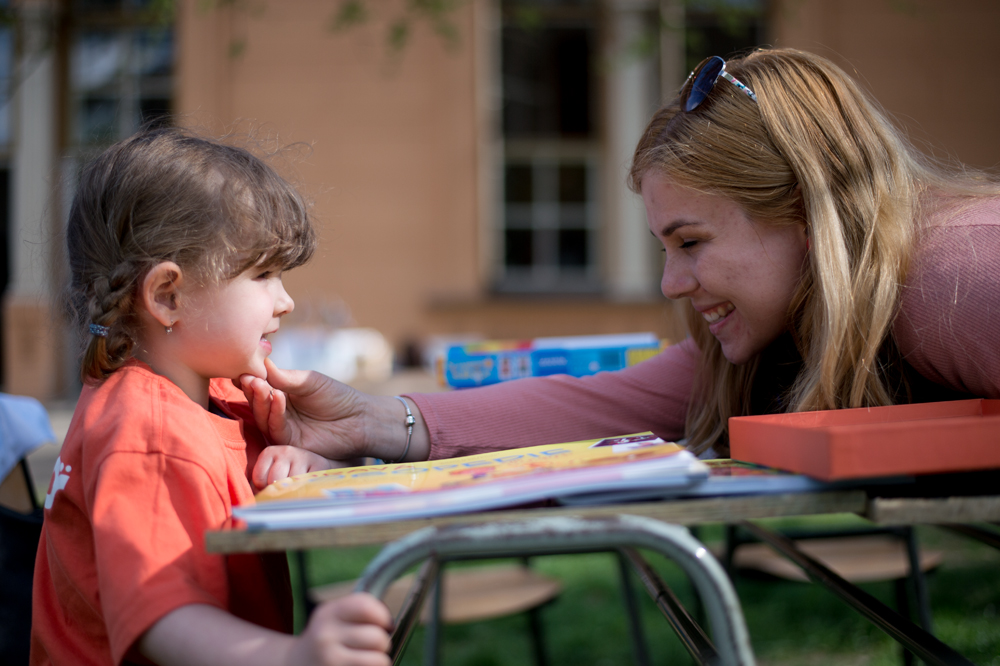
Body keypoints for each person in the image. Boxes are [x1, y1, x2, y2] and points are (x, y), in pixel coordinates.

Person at [242, 47, 1000, 472]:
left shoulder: (952, 281)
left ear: (805, 214)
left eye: (692, 242)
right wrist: (372, 419)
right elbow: (602, 403)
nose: (673, 283)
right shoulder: (775, 331)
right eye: (664, 249)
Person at [32, 128, 393, 666]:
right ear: (167, 295)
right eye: (264, 273)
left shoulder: (213, 394)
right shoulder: (148, 430)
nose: (287, 300)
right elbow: (163, 618)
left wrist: (307, 456)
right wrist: (294, 658)